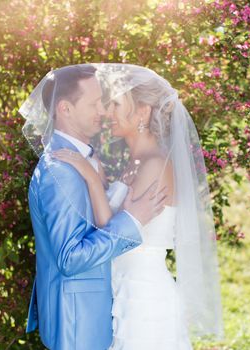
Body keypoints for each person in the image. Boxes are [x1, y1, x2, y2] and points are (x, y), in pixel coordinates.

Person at [53, 64, 224, 349]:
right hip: (125, 290)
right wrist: (100, 180)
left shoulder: (155, 164)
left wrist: (91, 178)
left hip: (145, 298)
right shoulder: (136, 162)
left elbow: (118, 233)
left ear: (143, 112)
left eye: (117, 104)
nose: (108, 113)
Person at [18, 64, 168, 350]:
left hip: (96, 312)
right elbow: (70, 258)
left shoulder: (82, 160)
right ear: (66, 109)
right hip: (78, 321)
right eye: (94, 103)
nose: (103, 111)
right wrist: (132, 221)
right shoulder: (61, 170)